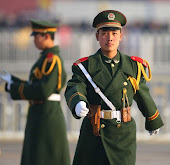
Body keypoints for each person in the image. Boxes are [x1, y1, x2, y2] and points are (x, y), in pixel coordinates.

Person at [64, 10, 164, 165]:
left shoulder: (133, 66)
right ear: (97, 36)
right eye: (104, 33)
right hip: (94, 132)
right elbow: (76, 85)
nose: (109, 38)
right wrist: (78, 102)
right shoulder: (85, 66)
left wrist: (153, 119)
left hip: (122, 133)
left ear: (121, 36)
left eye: (114, 33)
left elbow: (142, 94)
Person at [0, 19, 70, 165]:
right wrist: (13, 82)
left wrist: (14, 88)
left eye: (37, 36)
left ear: (46, 36)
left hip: (47, 115)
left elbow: (43, 90)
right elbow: (35, 84)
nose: (34, 40)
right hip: (40, 114)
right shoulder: (44, 58)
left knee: (45, 158)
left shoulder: (52, 59)